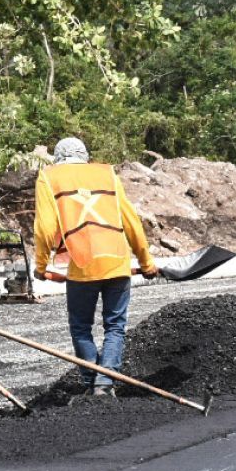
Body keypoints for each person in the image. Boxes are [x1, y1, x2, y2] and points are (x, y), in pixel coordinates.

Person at [34, 136, 158, 395]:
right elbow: (131, 221)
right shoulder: (107, 173)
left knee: (81, 327)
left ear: (57, 157)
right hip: (116, 260)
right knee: (115, 326)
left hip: (81, 265)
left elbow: (45, 228)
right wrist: (146, 262)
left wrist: (41, 265)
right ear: (85, 155)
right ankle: (105, 382)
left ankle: (93, 383)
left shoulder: (48, 177)